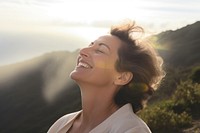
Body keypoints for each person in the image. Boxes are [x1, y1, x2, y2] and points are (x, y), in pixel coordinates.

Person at [47, 21, 165, 133]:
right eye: (90, 45)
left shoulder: (131, 130)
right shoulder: (61, 124)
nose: (83, 50)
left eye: (100, 50)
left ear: (122, 77)